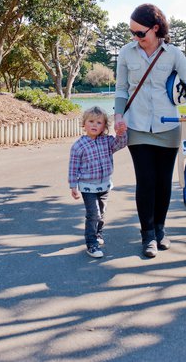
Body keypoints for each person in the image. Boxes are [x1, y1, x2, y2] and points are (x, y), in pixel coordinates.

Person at [113, 3, 186, 258]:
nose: (136, 38)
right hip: (137, 127)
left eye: (140, 33)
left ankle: (161, 229)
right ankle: (147, 236)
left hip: (169, 127)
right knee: (146, 181)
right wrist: (119, 115)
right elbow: (121, 89)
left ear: (155, 29)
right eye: (132, 32)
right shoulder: (126, 54)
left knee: (163, 183)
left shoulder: (173, 54)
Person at [68, 106, 128, 258]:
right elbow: (73, 167)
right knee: (93, 214)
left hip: (104, 185)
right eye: (91, 121)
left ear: (104, 126)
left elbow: (121, 144)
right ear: (84, 124)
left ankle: (98, 234)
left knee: (101, 212)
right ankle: (91, 244)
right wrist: (73, 185)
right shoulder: (78, 146)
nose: (95, 125)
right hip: (88, 187)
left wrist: (121, 134)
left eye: (99, 122)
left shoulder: (107, 142)